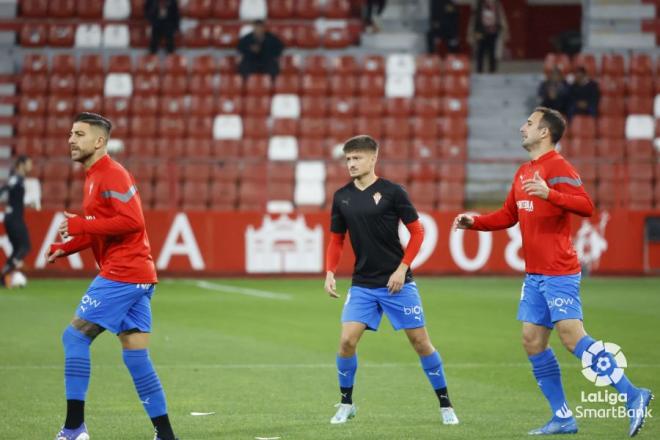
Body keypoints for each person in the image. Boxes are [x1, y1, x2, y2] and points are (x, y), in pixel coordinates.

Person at [453, 107, 653, 436]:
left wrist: (551, 194)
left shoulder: (558, 167)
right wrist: (473, 222)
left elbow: (586, 205)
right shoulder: (523, 172)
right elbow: (507, 215)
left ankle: (633, 395)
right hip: (534, 275)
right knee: (532, 341)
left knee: (572, 338)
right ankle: (562, 417)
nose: (522, 128)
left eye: (529, 123)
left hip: (559, 271)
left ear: (545, 132)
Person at [48, 113, 178, 440]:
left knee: (74, 337)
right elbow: (105, 227)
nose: (71, 140)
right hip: (138, 275)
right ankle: (165, 434)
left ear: (99, 141)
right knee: (136, 356)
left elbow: (132, 222)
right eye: (71, 134)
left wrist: (80, 224)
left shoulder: (111, 174)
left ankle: (74, 428)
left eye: (79, 134)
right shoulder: (95, 176)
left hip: (123, 271)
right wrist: (69, 246)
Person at [324, 135, 459, 426]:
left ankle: (445, 404)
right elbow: (337, 239)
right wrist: (330, 271)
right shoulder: (342, 196)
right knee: (346, 341)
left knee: (421, 343)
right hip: (362, 284)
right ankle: (346, 403)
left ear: (373, 159)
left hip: (398, 283)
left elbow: (418, 232)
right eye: (348, 159)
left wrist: (402, 268)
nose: (351, 163)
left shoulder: (393, 192)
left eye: (357, 158)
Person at [0, 155, 32, 287]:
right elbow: (2, 191)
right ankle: (4, 274)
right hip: (14, 218)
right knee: (25, 247)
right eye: (29, 163)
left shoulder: (18, 179)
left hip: (13, 217)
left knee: (18, 248)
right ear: (21, 165)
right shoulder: (16, 179)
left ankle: (4, 277)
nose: (31, 166)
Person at [468, 0, 508, 73]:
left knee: (492, 53)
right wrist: (471, 32)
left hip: (493, 31)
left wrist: (504, 30)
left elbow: (501, 17)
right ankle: (479, 71)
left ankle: (492, 71)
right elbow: (473, 18)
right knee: (480, 52)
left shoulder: (497, 4)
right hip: (480, 32)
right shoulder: (478, 4)